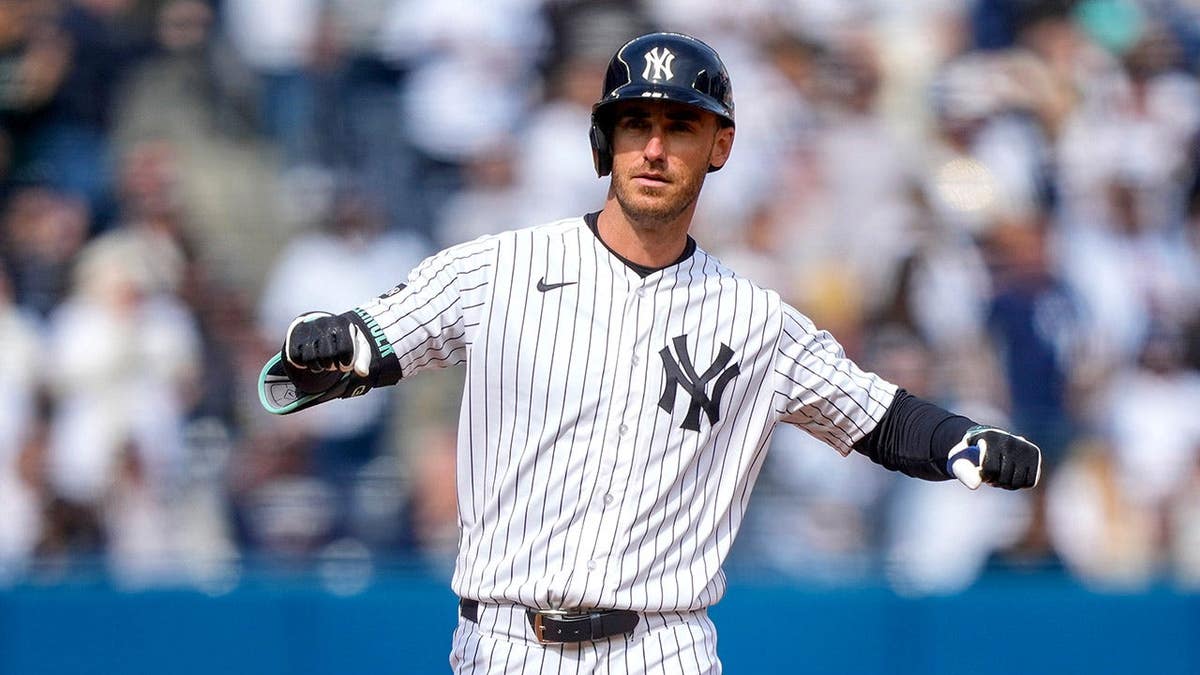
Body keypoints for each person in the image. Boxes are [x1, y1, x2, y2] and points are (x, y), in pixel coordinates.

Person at [258, 32, 1041, 673]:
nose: (655, 147)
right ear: (606, 139)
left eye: (680, 126)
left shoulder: (755, 317)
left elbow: (878, 415)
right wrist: (335, 342)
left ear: (720, 144)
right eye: (636, 124)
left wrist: (961, 442)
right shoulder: (497, 268)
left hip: (662, 647)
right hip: (503, 642)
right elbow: (375, 336)